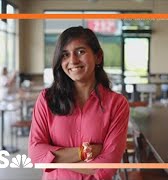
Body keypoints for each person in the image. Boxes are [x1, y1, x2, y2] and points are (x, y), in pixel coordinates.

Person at [28, 26, 129, 180]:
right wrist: (84, 152)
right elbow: (36, 155)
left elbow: (107, 167)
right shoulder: (46, 99)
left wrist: (52, 159)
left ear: (98, 57)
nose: (73, 60)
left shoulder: (117, 104)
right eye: (65, 55)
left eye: (81, 52)